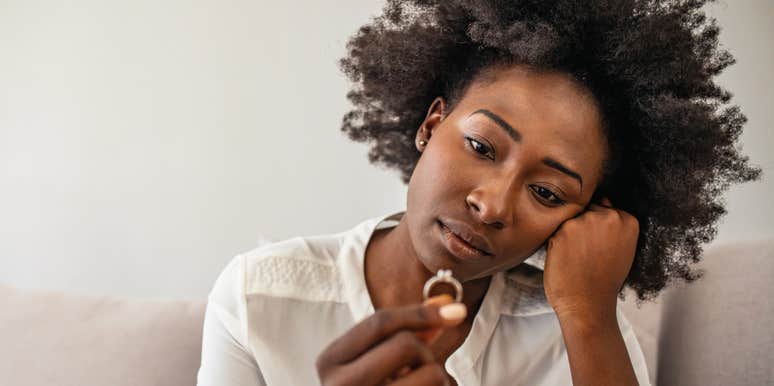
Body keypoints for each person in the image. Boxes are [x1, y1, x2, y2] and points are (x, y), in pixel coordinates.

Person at [196, 1, 761, 385]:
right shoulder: (261, 299)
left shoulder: (574, 331)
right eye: (482, 147)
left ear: (583, 218)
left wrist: (588, 319)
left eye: (545, 191)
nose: (491, 206)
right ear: (430, 124)